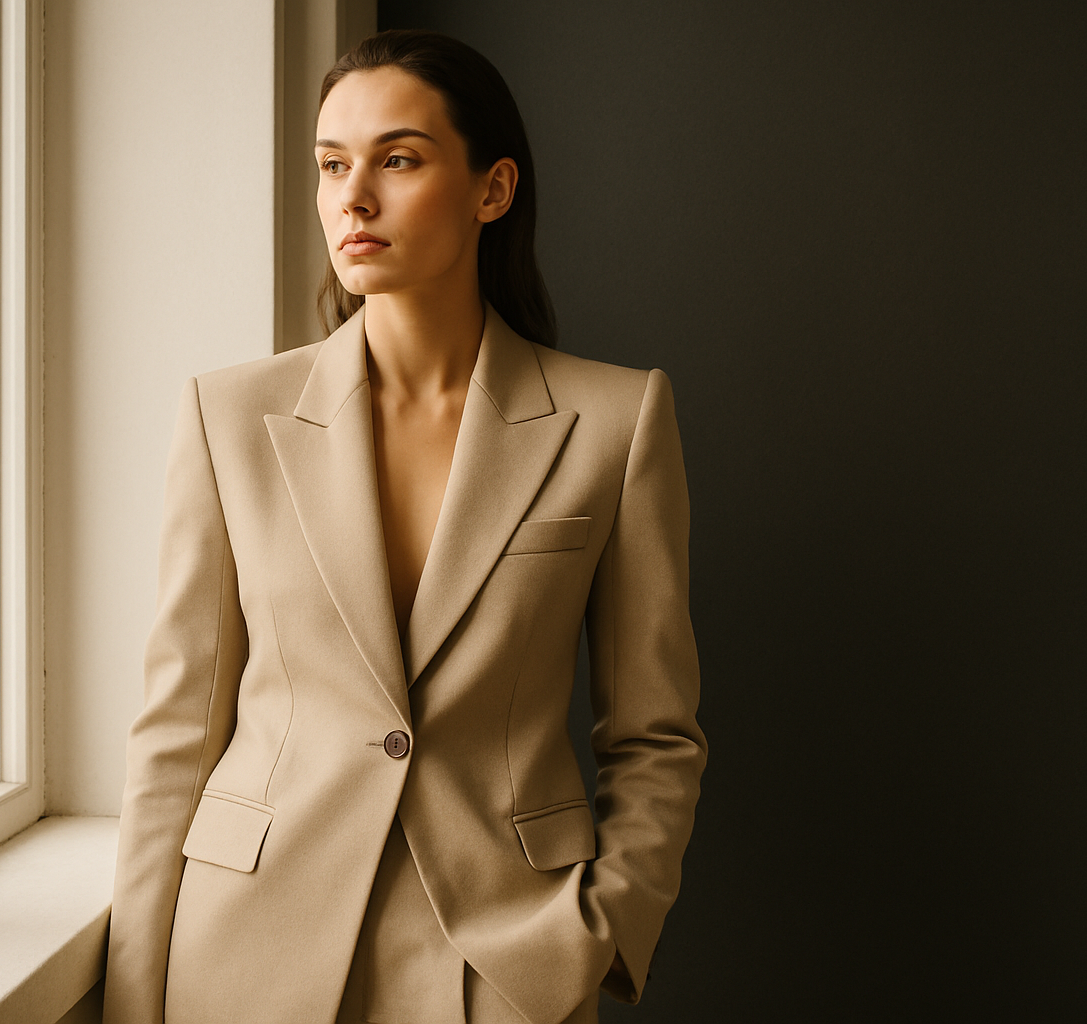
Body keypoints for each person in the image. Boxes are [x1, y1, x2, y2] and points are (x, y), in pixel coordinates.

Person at [103, 29, 706, 1024]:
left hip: (509, 959)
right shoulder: (230, 417)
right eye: (331, 164)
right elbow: (178, 731)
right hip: (250, 954)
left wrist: (603, 927)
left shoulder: (615, 420)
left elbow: (655, 734)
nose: (353, 197)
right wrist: (134, 995)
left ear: (491, 190)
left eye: (398, 160)